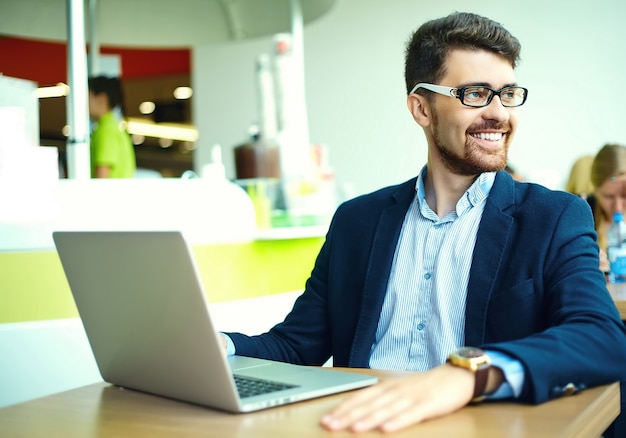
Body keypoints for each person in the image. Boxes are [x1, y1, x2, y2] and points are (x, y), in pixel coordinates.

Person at [221, 12, 626, 435]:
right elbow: (295, 344)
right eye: (475, 94)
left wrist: (469, 375)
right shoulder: (356, 221)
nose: (499, 113)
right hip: (359, 425)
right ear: (421, 108)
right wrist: (218, 346)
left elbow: (602, 337)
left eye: (507, 94)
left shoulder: (553, 216)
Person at [88, 75, 136, 178]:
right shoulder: (114, 127)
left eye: (87, 96)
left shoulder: (106, 131)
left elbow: (101, 180)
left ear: (101, 99)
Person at [588, 144, 626, 273]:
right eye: (609, 197)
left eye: (624, 196)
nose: (618, 207)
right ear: (596, 191)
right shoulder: (583, 214)